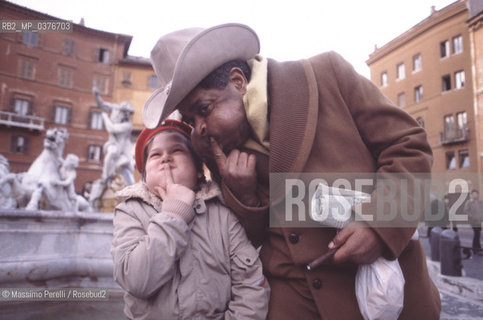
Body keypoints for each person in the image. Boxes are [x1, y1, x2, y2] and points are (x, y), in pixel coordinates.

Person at [142, 24, 440, 319]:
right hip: (293, 299)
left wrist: (378, 224)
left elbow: (408, 145)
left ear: (238, 82)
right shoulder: (213, 145)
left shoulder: (327, 74)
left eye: (203, 109)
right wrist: (244, 197)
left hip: (385, 294)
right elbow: (248, 239)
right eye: (191, 120)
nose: (200, 128)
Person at [111, 119, 270, 320]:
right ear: (145, 175)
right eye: (155, 154)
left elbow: (250, 284)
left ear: (198, 170)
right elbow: (136, 281)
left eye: (177, 150)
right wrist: (173, 215)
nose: (166, 158)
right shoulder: (130, 210)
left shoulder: (222, 212)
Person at [92, 86, 135, 185]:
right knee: (111, 153)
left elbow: (111, 128)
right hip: (113, 143)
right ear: (122, 110)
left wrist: (105, 116)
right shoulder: (115, 108)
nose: (127, 115)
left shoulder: (128, 125)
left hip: (124, 148)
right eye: (125, 112)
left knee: (131, 169)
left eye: (129, 114)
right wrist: (96, 95)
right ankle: (106, 177)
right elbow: (101, 105)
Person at [464, 189, 483, 255]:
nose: (475, 195)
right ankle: (476, 249)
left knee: (478, 234)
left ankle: (477, 248)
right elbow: (466, 211)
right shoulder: (469, 202)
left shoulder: (480, 202)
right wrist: (471, 216)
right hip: (473, 221)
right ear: (472, 195)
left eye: (476, 194)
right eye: (474, 194)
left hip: (479, 221)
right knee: (476, 233)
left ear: (478, 195)